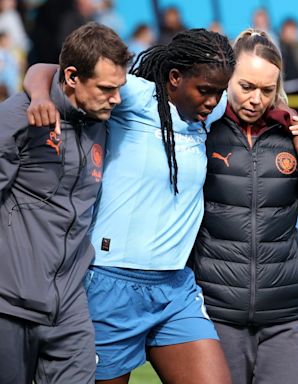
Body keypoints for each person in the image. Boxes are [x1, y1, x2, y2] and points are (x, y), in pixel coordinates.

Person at [25, 27, 298, 383]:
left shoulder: (208, 112)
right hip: (110, 282)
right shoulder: (136, 95)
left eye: (219, 92)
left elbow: (260, 105)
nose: (214, 102)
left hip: (176, 288)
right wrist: (41, 95)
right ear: (175, 78)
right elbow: (46, 69)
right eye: (205, 91)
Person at [188, 29, 298, 384]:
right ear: (227, 78)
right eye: (246, 86)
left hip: (285, 314)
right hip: (217, 311)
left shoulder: (293, 135)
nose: (256, 99)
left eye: (266, 90)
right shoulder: (198, 131)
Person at [0, 22, 131, 384]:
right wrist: (38, 96)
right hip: (8, 306)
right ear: (72, 77)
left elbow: (43, 70)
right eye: (107, 89)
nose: (117, 99)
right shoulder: (18, 118)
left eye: (118, 88)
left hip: (70, 310)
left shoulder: (103, 115)